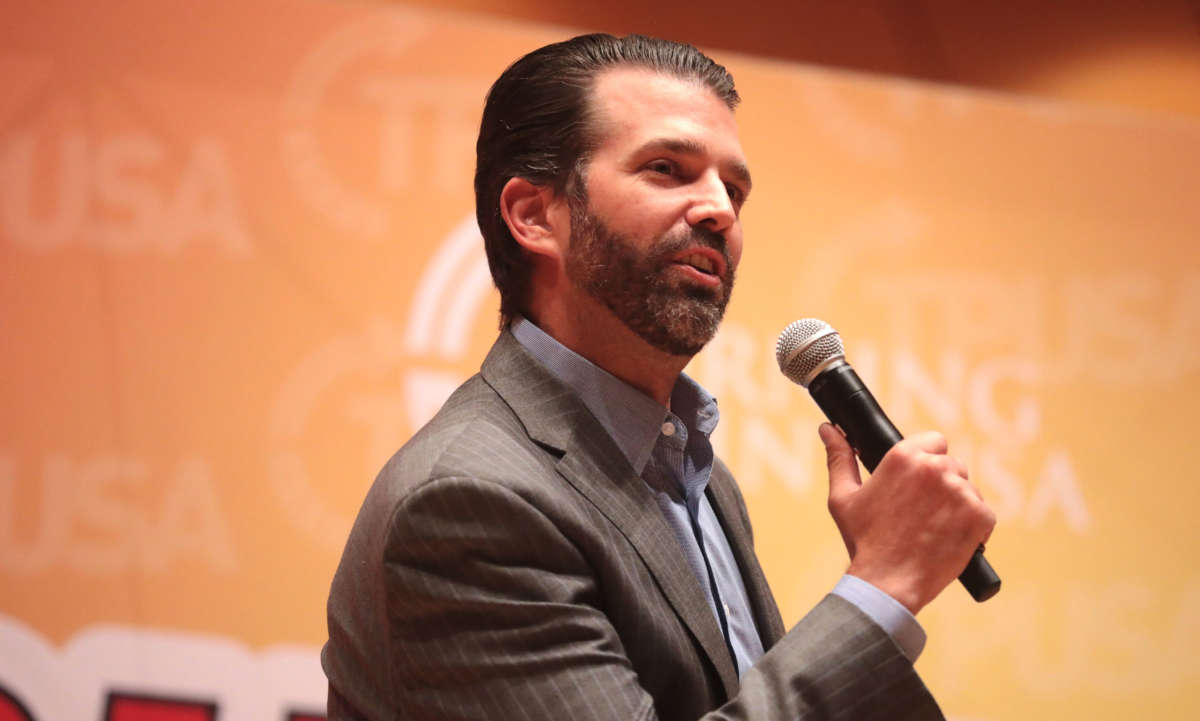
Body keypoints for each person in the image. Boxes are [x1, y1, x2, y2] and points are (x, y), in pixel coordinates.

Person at [322, 33, 995, 721]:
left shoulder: (699, 479)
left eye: (733, 187)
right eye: (667, 168)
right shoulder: (469, 498)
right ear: (533, 215)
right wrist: (881, 586)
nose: (720, 211)